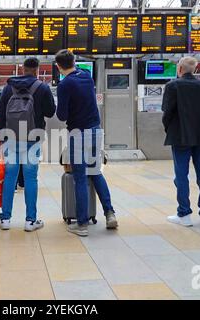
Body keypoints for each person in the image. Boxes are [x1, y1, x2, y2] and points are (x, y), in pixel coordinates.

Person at [55, 49, 118, 237]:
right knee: (96, 172)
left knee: (80, 177)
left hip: (78, 132)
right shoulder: (87, 76)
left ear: (58, 66)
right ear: (74, 61)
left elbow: (62, 115)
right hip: (96, 130)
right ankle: (109, 213)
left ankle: (82, 224)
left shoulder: (64, 85)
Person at [0, 57, 56, 232]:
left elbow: (0, 114)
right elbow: (51, 112)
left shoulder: (8, 87)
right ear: (37, 70)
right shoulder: (42, 87)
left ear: (23, 69)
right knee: (30, 178)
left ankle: (5, 219)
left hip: (11, 138)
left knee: (10, 177)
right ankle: (30, 221)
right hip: (33, 138)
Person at [162, 56, 200, 227]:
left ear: (179, 69)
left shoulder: (172, 86)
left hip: (180, 137)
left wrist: (169, 129)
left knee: (181, 175)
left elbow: (167, 113)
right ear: (195, 69)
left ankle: (184, 214)